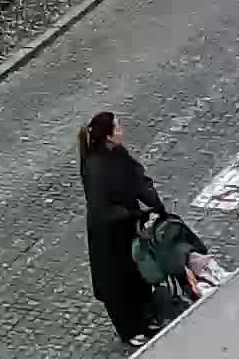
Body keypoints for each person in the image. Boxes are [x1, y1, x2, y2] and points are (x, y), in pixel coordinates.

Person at [78, 112, 167, 347]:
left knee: (137, 272)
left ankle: (146, 316)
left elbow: (137, 178)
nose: (122, 130)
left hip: (127, 226)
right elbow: (101, 209)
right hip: (108, 235)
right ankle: (129, 329)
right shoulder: (95, 168)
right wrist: (135, 214)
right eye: (118, 127)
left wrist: (154, 202)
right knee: (116, 283)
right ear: (108, 136)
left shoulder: (119, 154)